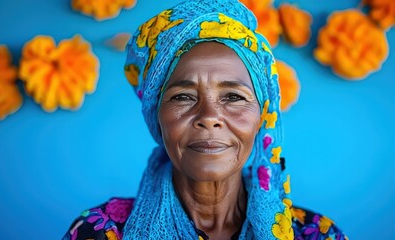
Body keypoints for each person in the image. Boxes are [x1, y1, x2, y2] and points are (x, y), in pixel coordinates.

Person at [63, 0, 347, 239]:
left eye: (233, 97)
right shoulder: (101, 231)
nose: (209, 117)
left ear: (262, 117)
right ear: (156, 117)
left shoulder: (316, 234)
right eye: (183, 97)